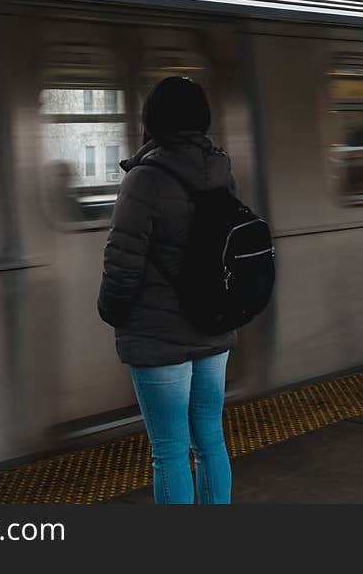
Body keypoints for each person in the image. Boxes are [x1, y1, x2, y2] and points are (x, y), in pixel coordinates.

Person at [97, 77, 236, 505]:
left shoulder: (145, 179)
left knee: (169, 450)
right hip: (213, 326)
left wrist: (113, 313)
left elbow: (122, 262)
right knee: (210, 440)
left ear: (152, 119)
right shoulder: (221, 169)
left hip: (158, 337)